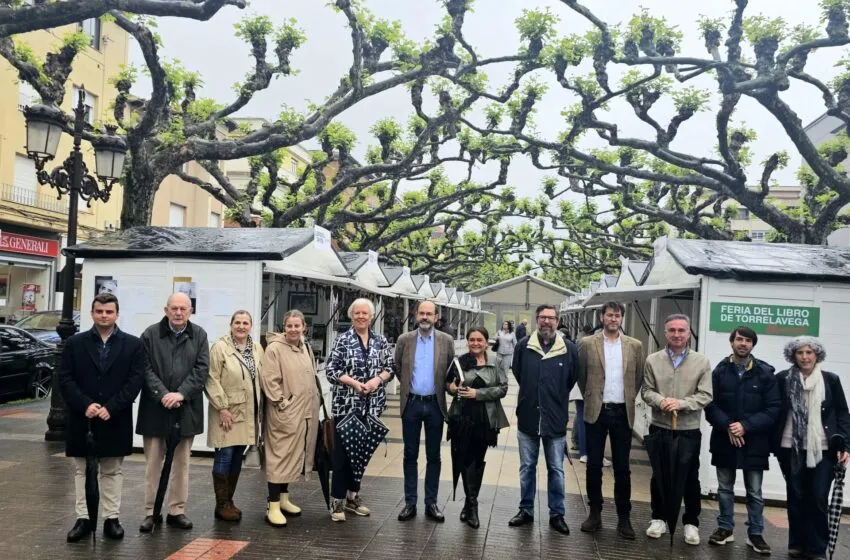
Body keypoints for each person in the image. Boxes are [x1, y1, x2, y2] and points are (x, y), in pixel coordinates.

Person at [59, 294, 146, 542]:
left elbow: (135, 380)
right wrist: (84, 404)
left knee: (112, 470)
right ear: (92, 313)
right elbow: (65, 378)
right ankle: (83, 518)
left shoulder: (132, 345)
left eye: (109, 311)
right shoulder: (75, 343)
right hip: (82, 417)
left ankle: (111, 519)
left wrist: (113, 406)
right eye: (99, 311)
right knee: (82, 470)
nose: (104, 315)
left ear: (117, 314)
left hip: (114, 417)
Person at [137, 292, 210, 532]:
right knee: (153, 465)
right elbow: (144, 368)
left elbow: (201, 369)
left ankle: (176, 510)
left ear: (190, 311)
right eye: (174, 308)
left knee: (181, 464)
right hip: (155, 409)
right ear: (166, 310)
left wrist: (180, 394)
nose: (178, 313)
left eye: (183, 309)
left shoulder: (199, 335)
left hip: (185, 409)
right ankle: (151, 511)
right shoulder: (149, 334)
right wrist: (163, 394)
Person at [705, 326, 780, 554]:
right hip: (723, 439)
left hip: (755, 442)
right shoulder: (719, 372)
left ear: (752, 345)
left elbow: (774, 408)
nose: (743, 344)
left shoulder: (765, 373)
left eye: (748, 340)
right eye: (739, 339)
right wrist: (728, 425)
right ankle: (725, 529)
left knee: (755, 492)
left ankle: (755, 534)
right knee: (725, 488)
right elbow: (709, 404)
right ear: (732, 342)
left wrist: (745, 426)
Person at [774, 337, 850, 560]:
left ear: (817, 355)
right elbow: (775, 410)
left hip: (824, 449)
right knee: (796, 496)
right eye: (800, 353)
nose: (805, 357)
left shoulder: (830, 380)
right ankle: (797, 543)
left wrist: (845, 444)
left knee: (818, 497)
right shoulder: (783, 379)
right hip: (791, 447)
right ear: (793, 356)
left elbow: (843, 413)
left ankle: (817, 548)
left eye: (809, 352)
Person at [641, 313, 712, 546]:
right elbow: (647, 390)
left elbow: (705, 395)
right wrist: (661, 401)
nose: (677, 334)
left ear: (689, 333)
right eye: (672, 330)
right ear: (665, 333)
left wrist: (681, 404)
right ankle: (658, 518)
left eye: (682, 330)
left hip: (688, 428)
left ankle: (691, 523)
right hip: (660, 425)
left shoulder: (702, 362)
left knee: (690, 476)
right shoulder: (653, 359)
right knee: (659, 475)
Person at [577, 301, 645, 539]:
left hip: (622, 412)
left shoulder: (635, 346)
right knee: (594, 465)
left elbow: (638, 378)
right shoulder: (587, 344)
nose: (613, 319)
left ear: (622, 319)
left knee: (622, 468)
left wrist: (625, 399)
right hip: (597, 410)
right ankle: (595, 513)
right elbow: (581, 377)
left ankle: (624, 518)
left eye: (617, 316)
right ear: (602, 317)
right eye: (609, 315)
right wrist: (593, 397)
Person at [508, 304, 577, 535]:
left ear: (558, 321)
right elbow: (519, 374)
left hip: (555, 420)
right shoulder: (523, 346)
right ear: (536, 320)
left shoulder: (568, 348)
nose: (547, 322)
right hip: (528, 417)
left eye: (551, 318)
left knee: (556, 469)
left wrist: (554, 399)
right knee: (527, 467)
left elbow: (571, 379)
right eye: (543, 317)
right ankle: (526, 510)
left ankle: (557, 513)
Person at [326, 298, 395, 522]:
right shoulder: (343, 340)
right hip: (346, 407)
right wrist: (354, 383)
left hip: (371, 407)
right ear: (351, 315)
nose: (361, 317)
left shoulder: (380, 340)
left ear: (371, 316)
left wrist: (376, 381)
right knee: (342, 456)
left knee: (361, 455)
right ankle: (337, 501)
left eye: (365, 313)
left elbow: (390, 368)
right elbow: (331, 370)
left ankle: (353, 496)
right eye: (357, 313)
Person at [395, 299, 455, 522]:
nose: (425, 317)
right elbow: (398, 366)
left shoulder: (446, 341)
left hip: (434, 405)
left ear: (436, 317)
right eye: (422, 313)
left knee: (434, 456)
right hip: (411, 403)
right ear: (415, 314)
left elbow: (450, 372)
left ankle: (431, 502)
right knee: (410, 455)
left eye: (429, 314)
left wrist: (452, 387)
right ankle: (410, 502)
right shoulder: (405, 340)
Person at [260, 310, 320, 527]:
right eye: (289, 326)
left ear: (304, 327)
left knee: (294, 456)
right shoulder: (275, 349)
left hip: (304, 413)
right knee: (279, 456)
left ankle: (284, 499)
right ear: (283, 327)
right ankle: (273, 505)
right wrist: (283, 403)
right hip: (285, 413)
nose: (293, 330)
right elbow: (269, 380)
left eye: (297, 326)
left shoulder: (304, 346)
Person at [446, 327, 510, 529]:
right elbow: (448, 385)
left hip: (485, 419)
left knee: (476, 460)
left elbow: (503, 388)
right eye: (472, 339)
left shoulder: (496, 361)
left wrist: (477, 394)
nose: (475, 343)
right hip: (461, 417)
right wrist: (452, 388)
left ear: (486, 342)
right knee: (464, 460)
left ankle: (470, 504)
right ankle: (471, 505)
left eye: (479, 340)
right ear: (467, 341)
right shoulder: (459, 361)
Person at [205, 310, 264, 523]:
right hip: (227, 412)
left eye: (245, 323)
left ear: (251, 326)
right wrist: (222, 407)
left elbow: (261, 377)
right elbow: (211, 379)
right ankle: (221, 504)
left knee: (238, 454)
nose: (241, 326)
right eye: (237, 322)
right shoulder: (220, 348)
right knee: (225, 455)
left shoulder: (257, 348)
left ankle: (229, 501)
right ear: (231, 325)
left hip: (247, 412)